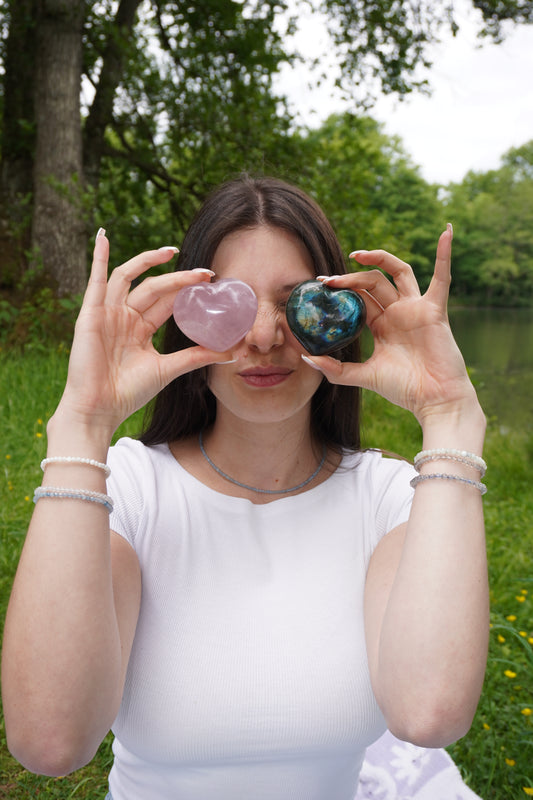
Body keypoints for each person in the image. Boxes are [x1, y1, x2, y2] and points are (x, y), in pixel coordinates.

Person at [2, 175, 489, 800]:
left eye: (297, 303)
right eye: (231, 304)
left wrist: (449, 415)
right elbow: (49, 742)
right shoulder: (126, 488)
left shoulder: (389, 496)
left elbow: (429, 716)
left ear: (341, 317)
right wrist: (82, 424)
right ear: (188, 315)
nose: (263, 337)